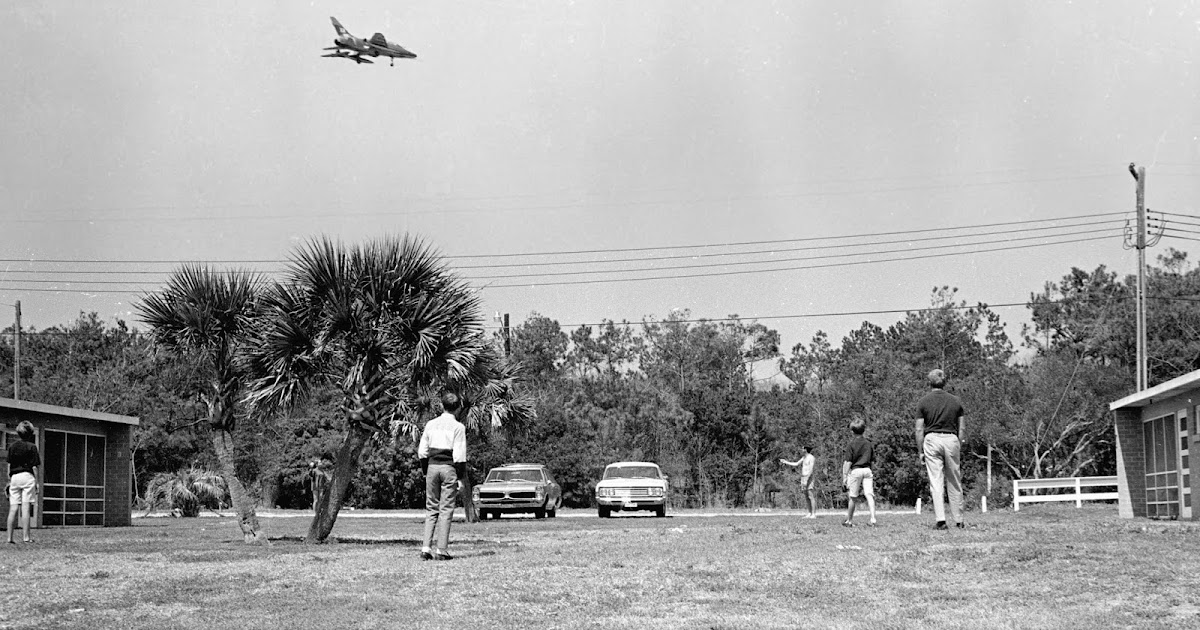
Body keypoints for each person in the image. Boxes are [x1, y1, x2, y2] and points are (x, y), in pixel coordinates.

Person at [417, 391, 468, 561]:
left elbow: (422, 451)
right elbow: (459, 455)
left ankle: (425, 547)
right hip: (448, 468)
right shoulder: (458, 427)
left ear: (441, 406)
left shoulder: (431, 424)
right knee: (446, 509)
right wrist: (460, 478)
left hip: (432, 466)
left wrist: (426, 471)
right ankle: (441, 549)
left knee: (431, 508)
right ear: (458, 408)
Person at [914, 368, 966, 530]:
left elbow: (919, 429)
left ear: (929, 382)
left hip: (932, 439)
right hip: (951, 438)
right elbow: (962, 428)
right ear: (945, 382)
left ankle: (941, 520)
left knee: (936, 481)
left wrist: (920, 451)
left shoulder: (923, 402)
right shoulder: (956, 401)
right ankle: (958, 519)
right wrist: (959, 444)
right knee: (954, 479)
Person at [7, 421, 40, 544]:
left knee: (13, 508)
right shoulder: (32, 447)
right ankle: (26, 537)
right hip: (27, 476)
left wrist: (10, 480)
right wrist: (36, 483)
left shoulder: (12, 446)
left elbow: (9, 466)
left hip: (15, 477)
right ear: (30, 433)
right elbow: (35, 467)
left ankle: (9, 537)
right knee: (25, 508)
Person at [841, 417, 877, 527]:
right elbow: (872, 460)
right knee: (869, 494)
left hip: (856, 470)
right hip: (867, 470)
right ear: (864, 430)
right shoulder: (868, 444)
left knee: (853, 496)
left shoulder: (851, 444)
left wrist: (845, 477)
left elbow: (848, 462)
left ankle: (849, 520)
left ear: (852, 431)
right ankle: (873, 518)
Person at [779, 446, 817, 518]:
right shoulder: (804, 457)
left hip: (808, 477)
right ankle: (809, 513)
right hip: (803, 477)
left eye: (802, 448)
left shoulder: (811, 457)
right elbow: (796, 464)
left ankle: (813, 514)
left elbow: (811, 470)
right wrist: (785, 462)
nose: (801, 450)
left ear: (805, 450)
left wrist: (807, 479)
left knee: (810, 495)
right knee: (806, 496)